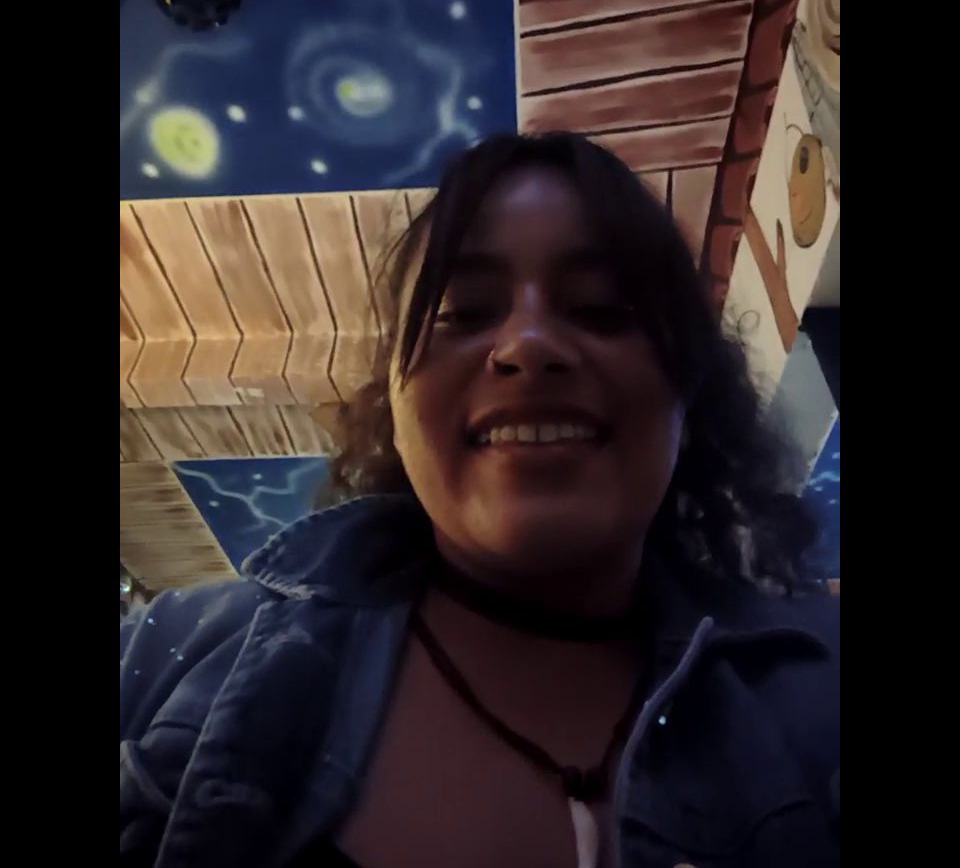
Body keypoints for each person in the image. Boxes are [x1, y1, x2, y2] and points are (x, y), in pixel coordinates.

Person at [120, 132, 839, 868]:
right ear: (394, 406)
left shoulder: (823, 687)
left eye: (601, 308)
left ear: (689, 394)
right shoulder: (164, 660)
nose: (527, 343)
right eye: (461, 313)